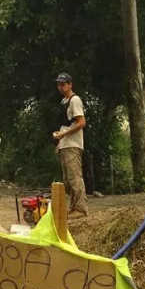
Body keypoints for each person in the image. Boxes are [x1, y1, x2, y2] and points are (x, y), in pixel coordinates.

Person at [52, 72, 88, 219]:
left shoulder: (75, 100)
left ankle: (81, 208)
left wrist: (64, 135)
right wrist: (60, 142)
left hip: (73, 143)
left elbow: (81, 122)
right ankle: (73, 207)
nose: (60, 87)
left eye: (63, 84)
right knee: (67, 179)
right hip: (65, 144)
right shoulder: (63, 102)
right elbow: (66, 125)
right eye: (59, 84)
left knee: (75, 177)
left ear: (70, 84)